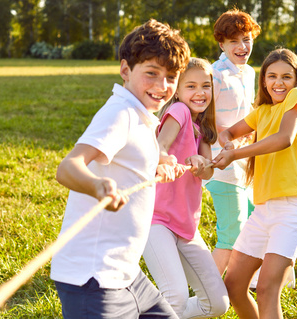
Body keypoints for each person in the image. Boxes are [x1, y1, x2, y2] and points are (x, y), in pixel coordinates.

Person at [50, 19, 191, 319]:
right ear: (125, 70)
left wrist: (159, 164)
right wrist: (98, 186)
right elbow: (68, 167)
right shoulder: (120, 113)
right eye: (151, 74)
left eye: (171, 77)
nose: (162, 86)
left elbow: (130, 161)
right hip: (93, 280)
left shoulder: (141, 114)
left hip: (128, 277)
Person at [212, 48, 297, 319]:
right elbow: (228, 131)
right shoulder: (262, 111)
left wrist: (235, 154)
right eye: (272, 76)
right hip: (263, 210)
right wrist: (228, 142)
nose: (279, 82)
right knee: (234, 286)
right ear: (263, 80)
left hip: (293, 209)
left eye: (286, 76)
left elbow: (284, 138)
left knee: (266, 289)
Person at [143, 58, 229, 319]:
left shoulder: (201, 125)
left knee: (216, 304)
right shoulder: (179, 110)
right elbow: (161, 145)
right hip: (157, 221)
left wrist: (201, 163)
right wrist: (163, 159)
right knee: (175, 296)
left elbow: (208, 171)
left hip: (187, 225)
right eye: (190, 86)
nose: (200, 92)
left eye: (206, 85)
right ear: (177, 91)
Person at [205, 8, 261, 276]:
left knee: (255, 223)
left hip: (245, 161)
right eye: (234, 41)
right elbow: (203, 116)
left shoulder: (249, 72)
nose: (242, 47)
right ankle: (208, 297)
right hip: (221, 163)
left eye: (247, 39)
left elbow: (248, 112)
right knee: (231, 234)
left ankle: (248, 282)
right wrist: (232, 133)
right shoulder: (214, 74)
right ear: (221, 44)